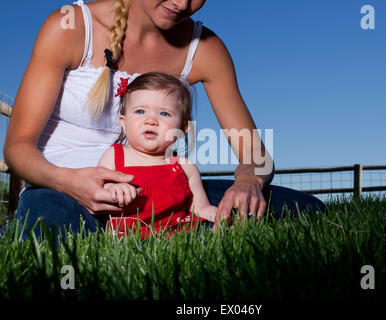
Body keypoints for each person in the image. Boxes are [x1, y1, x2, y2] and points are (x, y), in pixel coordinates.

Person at [3, 0, 326, 237]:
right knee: (47, 218)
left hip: (160, 188)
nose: (182, 3)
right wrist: (68, 182)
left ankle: (161, 226)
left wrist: (248, 182)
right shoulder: (71, 26)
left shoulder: (206, 48)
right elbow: (17, 146)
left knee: (302, 208)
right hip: (65, 188)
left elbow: (255, 155)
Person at [97, 71, 216, 238]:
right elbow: (98, 189)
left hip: (178, 235)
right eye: (140, 112)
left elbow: (201, 208)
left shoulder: (184, 166)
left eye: (164, 113)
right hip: (129, 236)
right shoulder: (115, 155)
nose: (151, 120)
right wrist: (112, 188)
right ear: (123, 123)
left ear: (182, 129)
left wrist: (220, 217)